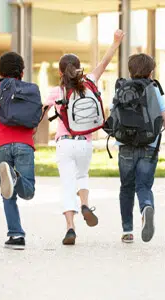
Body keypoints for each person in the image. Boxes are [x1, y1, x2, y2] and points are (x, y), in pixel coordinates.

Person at [45, 29, 125, 245]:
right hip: (85, 143)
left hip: (65, 144)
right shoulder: (90, 81)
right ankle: (85, 204)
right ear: (79, 68)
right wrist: (115, 42)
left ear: (61, 73)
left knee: (67, 184)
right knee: (82, 176)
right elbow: (105, 62)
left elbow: (40, 112)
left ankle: (70, 228)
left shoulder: (56, 92)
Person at [111, 53, 165, 243]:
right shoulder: (153, 89)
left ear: (130, 69)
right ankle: (146, 207)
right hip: (149, 145)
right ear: (150, 71)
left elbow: (113, 117)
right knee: (144, 186)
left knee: (126, 187)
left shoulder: (122, 87)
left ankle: (127, 231)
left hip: (125, 146)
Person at [0, 52, 38, 250]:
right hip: (24, 143)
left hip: (0, 143)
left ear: (1, 71)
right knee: (28, 192)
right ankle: (16, 178)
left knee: (7, 193)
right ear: (22, 71)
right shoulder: (31, 90)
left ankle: (16, 235)